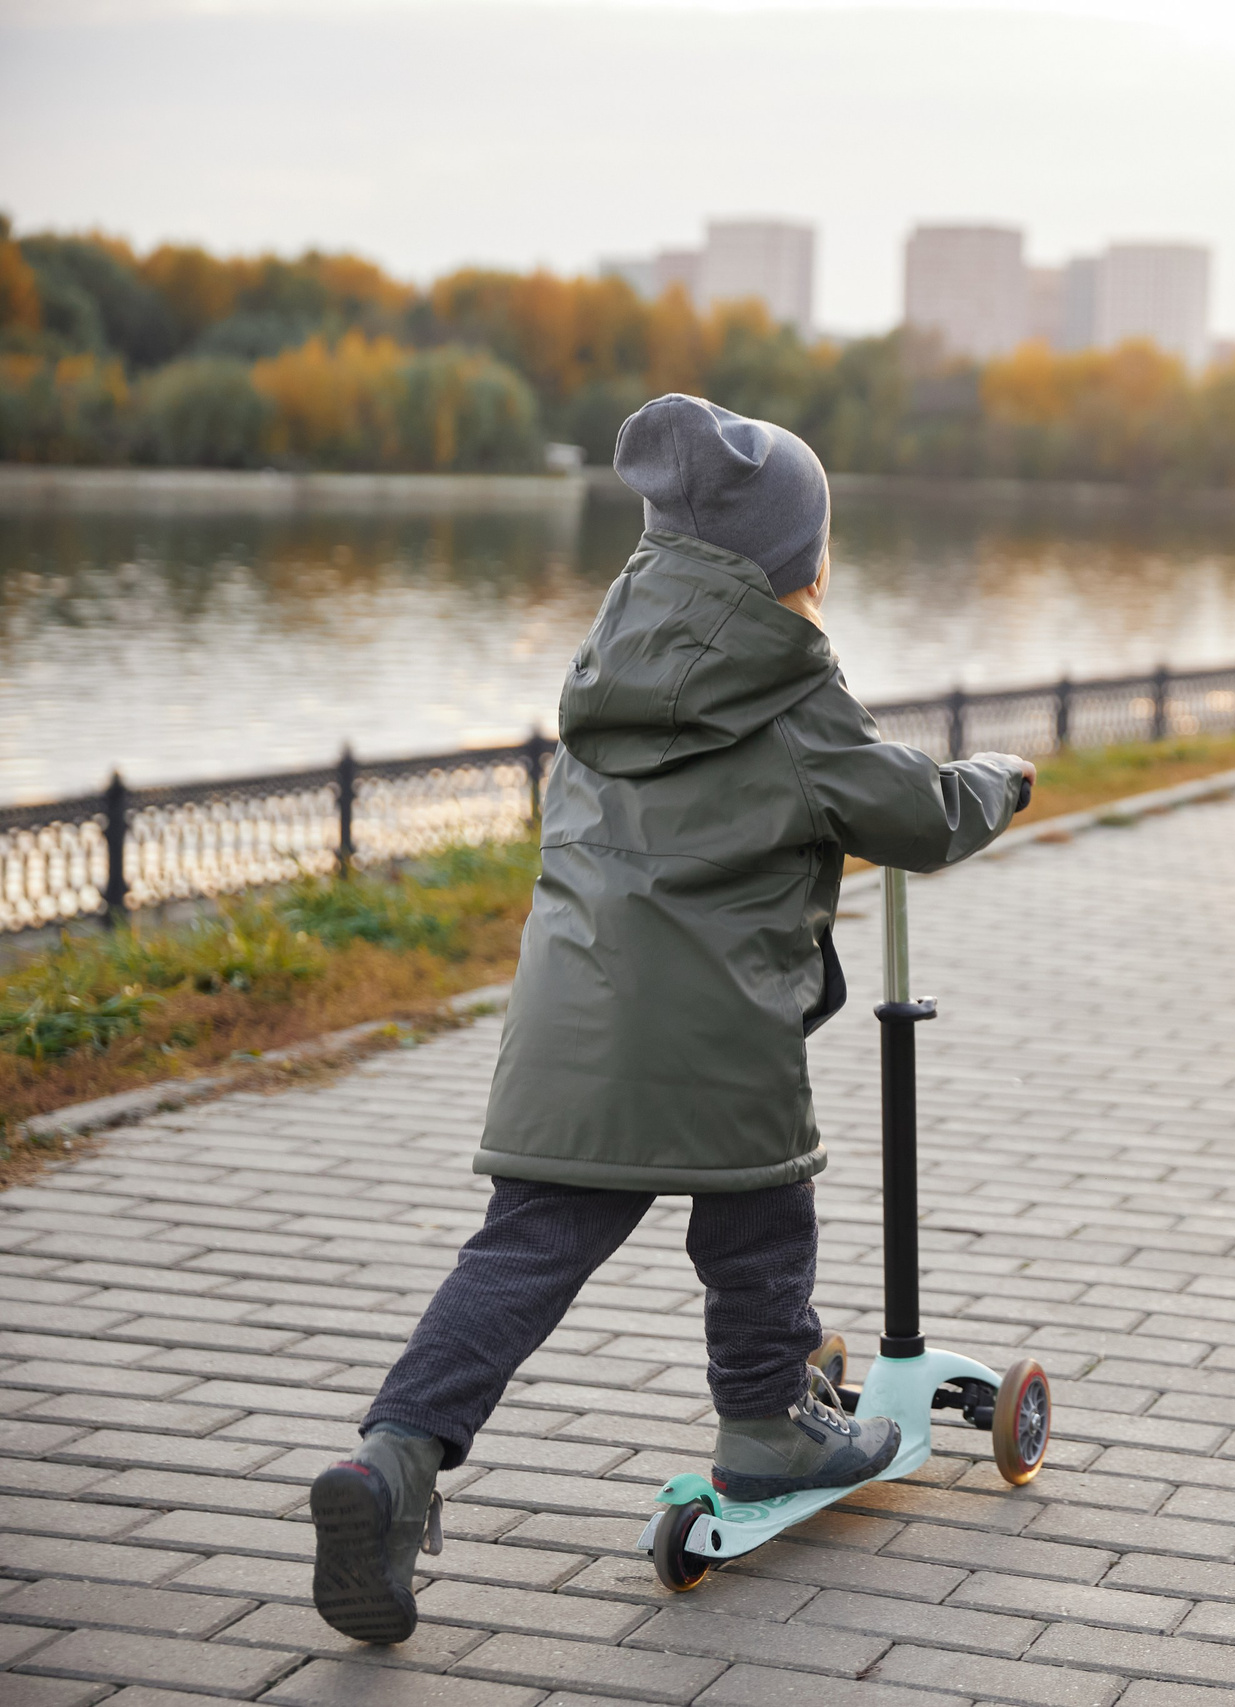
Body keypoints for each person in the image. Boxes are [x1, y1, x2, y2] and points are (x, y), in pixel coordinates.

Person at [307, 396, 1036, 1645]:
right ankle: (766, 1421)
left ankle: (394, 1459)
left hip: (565, 1027)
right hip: (713, 1040)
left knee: (521, 1254)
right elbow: (913, 818)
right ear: (799, 563)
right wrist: (995, 783)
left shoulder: (608, 672)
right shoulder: (791, 688)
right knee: (760, 1215)